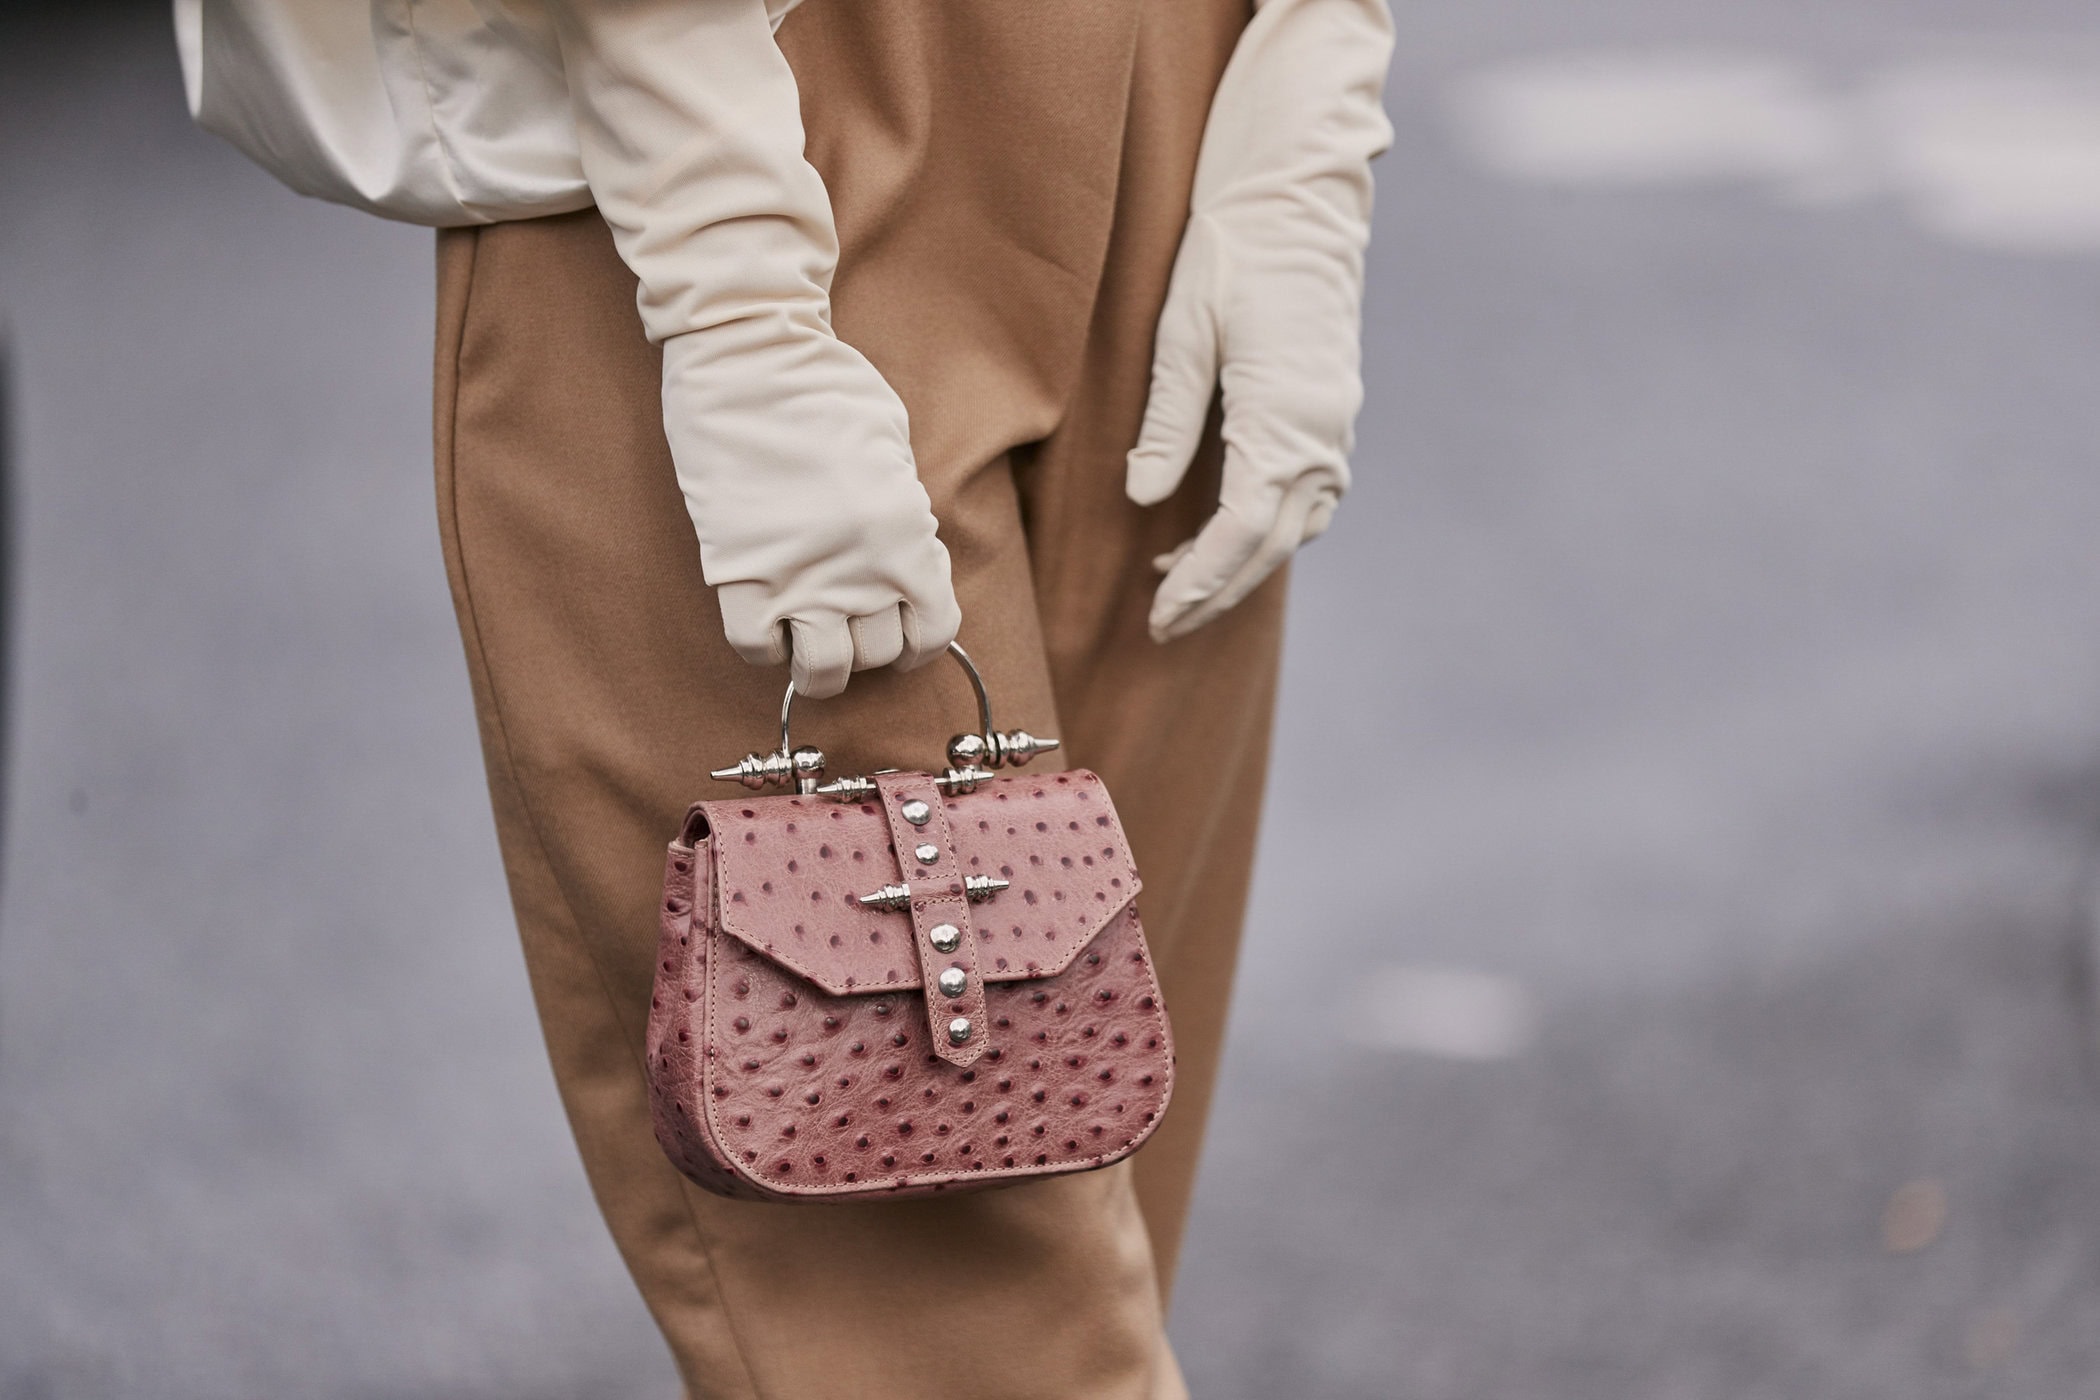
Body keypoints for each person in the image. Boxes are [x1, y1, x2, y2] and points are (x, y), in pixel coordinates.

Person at [177, 0, 1392, 1394]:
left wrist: (1319, 73)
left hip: (1188, 97)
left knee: (1080, 1175)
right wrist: (735, 307)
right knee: (960, 1328)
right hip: (735, 113)